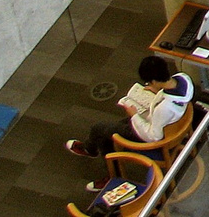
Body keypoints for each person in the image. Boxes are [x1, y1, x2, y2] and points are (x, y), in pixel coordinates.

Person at [66, 55, 194, 189]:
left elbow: (153, 136)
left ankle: (109, 173)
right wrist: (158, 91)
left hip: (149, 135)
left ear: (154, 81)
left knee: (99, 129)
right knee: (106, 132)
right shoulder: (184, 78)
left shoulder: (165, 108)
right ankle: (92, 150)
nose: (149, 85)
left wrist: (134, 116)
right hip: (166, 122)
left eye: (149, 82)